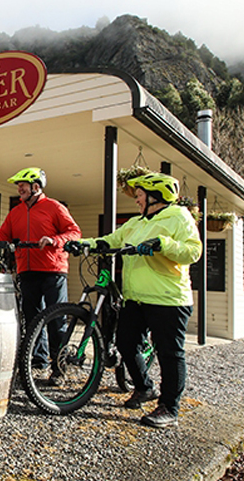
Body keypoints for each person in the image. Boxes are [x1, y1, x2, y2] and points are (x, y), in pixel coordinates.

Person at [64, 173, 201, 428]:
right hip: (135, 298)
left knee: (170, 353)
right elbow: (110, 241)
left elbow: (193, 251)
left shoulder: (179, 217)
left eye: (139, 195)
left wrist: (163, 244)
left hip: (169, 300)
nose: (136, 200)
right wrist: (81, 244)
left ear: (155, 196)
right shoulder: (135, 223)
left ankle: (170, 408)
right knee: (126, 344)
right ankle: (144, 387)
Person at [0, 167, 81, 384]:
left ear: (36, 187)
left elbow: (73, 232)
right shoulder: (16, 212)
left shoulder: (54, 207)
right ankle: (38, 361)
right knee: (32, 320)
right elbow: (4, 235)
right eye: (18, 185)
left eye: (23, 184)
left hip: (53, 270)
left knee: (55, 320)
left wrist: (54, 240)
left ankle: (59, 368)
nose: (19, 188)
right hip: (27, 270)